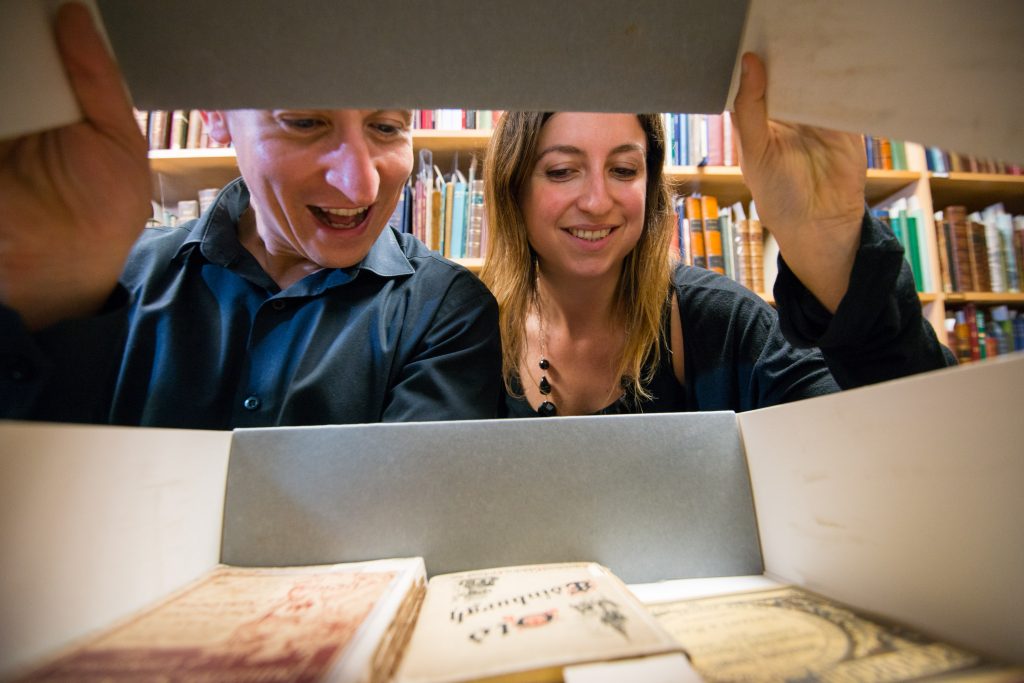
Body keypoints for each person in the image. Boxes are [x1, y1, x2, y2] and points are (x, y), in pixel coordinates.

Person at [0, 3, 502, 428]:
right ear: (217, 117)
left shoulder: (445, 311)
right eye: (305, 122)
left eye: (388, 127)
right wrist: (53, 291)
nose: (362, 184)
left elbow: (414, 515)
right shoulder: (117, 284)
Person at [480, 54, 955, 417]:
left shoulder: (726, 324)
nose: (598, 200)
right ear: (514, 186)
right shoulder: (463, 333)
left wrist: (834, 242)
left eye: (624, 169)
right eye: (563, 171)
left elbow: (916, 430)